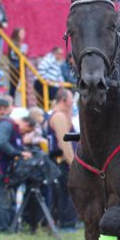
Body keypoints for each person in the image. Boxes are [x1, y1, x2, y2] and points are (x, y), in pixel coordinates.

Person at [0, 96, 32, 231]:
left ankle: (6, 226)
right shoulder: (5, 124)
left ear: (10, 109)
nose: (2, 111)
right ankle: (2, 228)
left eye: (5, 108)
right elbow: (1, 143)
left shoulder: (6, 124)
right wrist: (19, 153)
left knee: (3, 198)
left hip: (1, 166)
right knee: (1, 198)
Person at [45, 88, 77, 228]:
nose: (73, 102)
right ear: (64, 100)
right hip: (62, 162)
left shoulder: (62, 115)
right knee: (67, 193)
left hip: (60, 161)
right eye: (71, 98)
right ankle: (67, 224)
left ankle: (64, 223)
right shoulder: (59, 116)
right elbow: (65, 143)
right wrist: (73, 162)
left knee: (63, 193)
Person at [7, 28, 27, 97]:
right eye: (21, 33)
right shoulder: (13, 42)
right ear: (16, 34)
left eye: (23, 33)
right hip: (15, 67)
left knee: (17, 86)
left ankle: (12, 100)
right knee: (13, 86)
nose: (23, 34)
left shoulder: (22, 44)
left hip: (21, 67)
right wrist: (20, 53)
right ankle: (11, 100)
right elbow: (12, 56)